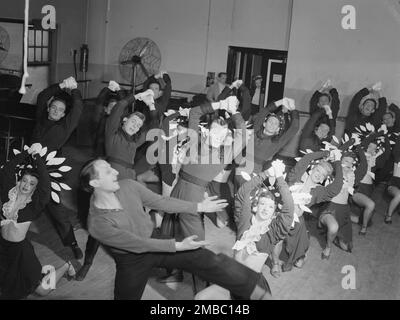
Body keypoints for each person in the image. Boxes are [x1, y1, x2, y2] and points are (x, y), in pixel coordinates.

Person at [80, 158, 272, 300]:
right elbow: (139, 244)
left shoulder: (128, 186)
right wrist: (178, 245)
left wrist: (199, 207)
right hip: (132, 259)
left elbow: (162, 201)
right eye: (107, 171)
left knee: (207, 258)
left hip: (155, 238)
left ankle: (256, 292)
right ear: (94, 183)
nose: (114, 172)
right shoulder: (97, 223)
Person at [195, 160, 294, 300]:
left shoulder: (273, 232)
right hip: (231, 278)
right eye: (263, 203)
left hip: (251, 286)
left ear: (274, 212)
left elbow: (289, 210)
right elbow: (243, 192)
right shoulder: (245, 222)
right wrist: (266, 173)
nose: (266, 208)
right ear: (256, 206)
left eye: (270, 206)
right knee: (200, 298)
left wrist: (279, 178)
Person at [0, 144, 75, 299]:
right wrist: (25, 153)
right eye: (24, 181)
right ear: (19, 181)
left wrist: (36, 157)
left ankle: (67, 266)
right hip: (3, 247)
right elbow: (6, 170)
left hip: (21, 252)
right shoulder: (8, 196)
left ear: (35, 188)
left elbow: (46, 186)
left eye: (32, 183)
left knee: (42, 290)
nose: (26, 185)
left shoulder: (33, 205)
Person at [31, 76, 84, 259]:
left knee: (57, 211)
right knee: (14, 201)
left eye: (60, 110)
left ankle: (73, 243)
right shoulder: (40, 118)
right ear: (48, 108)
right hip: (29, 169)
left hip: (48, 172)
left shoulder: (65, 127)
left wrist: (75, 90)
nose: (55, 111)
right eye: (53, 107)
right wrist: (61, 85)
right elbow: (43, 96)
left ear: (63, 115)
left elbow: (77, 110)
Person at [270, 149, 343, 276]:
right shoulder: (296, 177)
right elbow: (307, 157)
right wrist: (327, 153)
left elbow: (337, 186)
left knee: (299, 264)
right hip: (281, 216)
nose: (319, 175)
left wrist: (337, 162)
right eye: (318, 171)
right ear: (312, 169)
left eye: (323, 175)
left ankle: (299, 253)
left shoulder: (319, 191)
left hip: (298, 223)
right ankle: (275, 263)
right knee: (278, 239)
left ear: (323, 179)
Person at [235, 97, 300, 187]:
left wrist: (293, 109)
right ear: (264, 124)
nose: (272, 124)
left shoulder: (277, 142)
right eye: (270, 121)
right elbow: (264, 111)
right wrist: (281, 101)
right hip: (240, 165)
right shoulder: (256, 130)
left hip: (254, 172)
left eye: (275, 124)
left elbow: (294, 128)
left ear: (277, 130)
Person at [318, 142, 367, 259]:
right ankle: (328, 247)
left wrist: (359, 146)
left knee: (347, 247)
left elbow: (364, 165)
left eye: (351, 162)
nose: (349, 164)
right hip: (331, 208)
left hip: (344, 210)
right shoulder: (334, 171)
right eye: (346, 161)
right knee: (333, 227)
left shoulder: (353, 175)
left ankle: (334, 236)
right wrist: (351, 141)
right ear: (340, 161)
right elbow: (338, 152)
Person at [105, 89, 157, 180]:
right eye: (133, 121)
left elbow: (154, 128)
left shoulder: (135, 142)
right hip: (112, 177)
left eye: (138, 126)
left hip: (129, 178)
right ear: (125, 120)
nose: (134, 126)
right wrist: (138, 96)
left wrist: (151, 105)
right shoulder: (112, 134)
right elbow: (119, 107)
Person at [351, 129, 390, 233]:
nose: (371, 149)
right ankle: (363, 229)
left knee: (366, 216)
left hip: (369, 189)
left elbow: (387, 154)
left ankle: (351, 219)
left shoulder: (375, 161)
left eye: (374, 148)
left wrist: (385, 136)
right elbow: (365, 142)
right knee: (370, 205)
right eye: (370, 146)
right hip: (358, 188)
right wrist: (379, 133)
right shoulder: (360, 155)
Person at [385, 134, 400, 224]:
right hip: (394, 182)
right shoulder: (397, 158)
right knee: (399, 195)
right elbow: (395, 152)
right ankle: (388, 215)